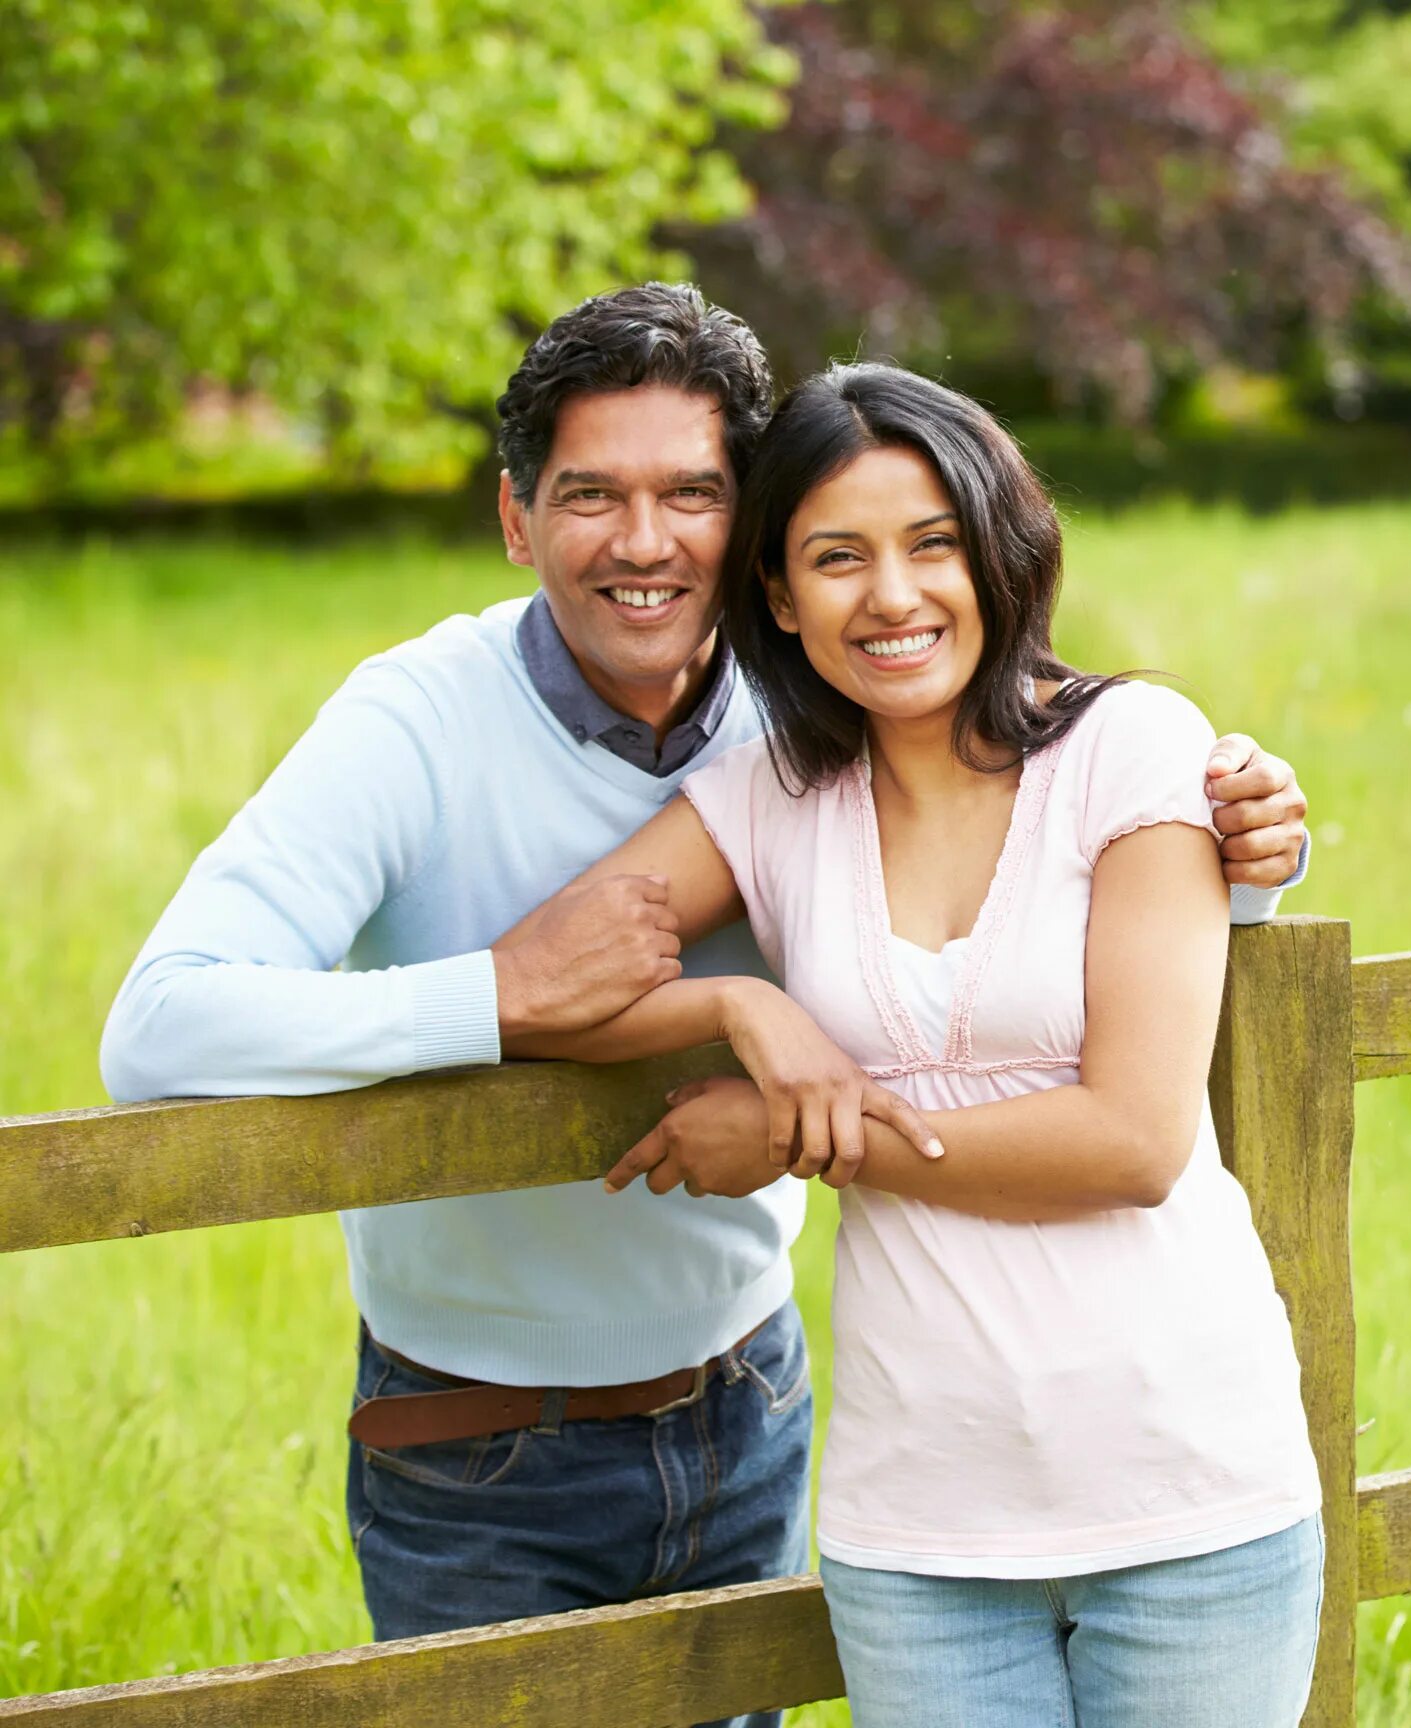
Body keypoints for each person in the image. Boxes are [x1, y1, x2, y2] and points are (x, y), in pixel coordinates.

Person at [95, 285, 1312, 1728]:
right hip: (490, 1435)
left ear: (746, 536)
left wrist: (1239, 864)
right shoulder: (499, 735)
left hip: (762, 1407)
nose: (645, 540)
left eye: (693, 494)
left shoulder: (852, 714)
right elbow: (178, 1025)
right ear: (515, 517)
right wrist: (697, 1011)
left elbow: (1103, 1034)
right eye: (592, 495)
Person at [504, 360, 1324, 1728]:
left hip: (1192, 1496)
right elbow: (547, 976)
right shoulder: (771, 796)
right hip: (923, 1533)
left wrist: (800, 1137)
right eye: (837, 557)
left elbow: (1130, 1142)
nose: (891, 596)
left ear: (998, 559)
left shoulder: (1131, 748)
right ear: (777, 595)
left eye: (932, 544)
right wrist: (736, 1008)